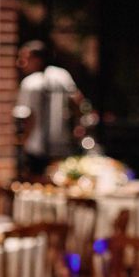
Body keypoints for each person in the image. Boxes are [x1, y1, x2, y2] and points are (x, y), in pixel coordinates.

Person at [15, 40, 83, 177]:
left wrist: (24, 142)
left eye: (26, 58)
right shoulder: (61, 75)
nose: (21, 63)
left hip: (36, 146)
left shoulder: (30, 83)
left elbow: (28, 117)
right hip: (61, 142)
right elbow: (77, 100)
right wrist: (77, 124)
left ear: (38, 59)